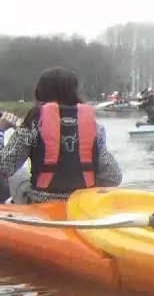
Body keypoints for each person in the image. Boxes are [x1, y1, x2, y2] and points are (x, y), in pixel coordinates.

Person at [0, 66, 123, 204]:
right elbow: (113, 177)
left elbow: (3, 167)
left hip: (41, 201)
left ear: (40, 92)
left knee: (19, 172)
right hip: (81, 202)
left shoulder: (33, 123)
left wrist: (1, 131)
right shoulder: (95, 128)